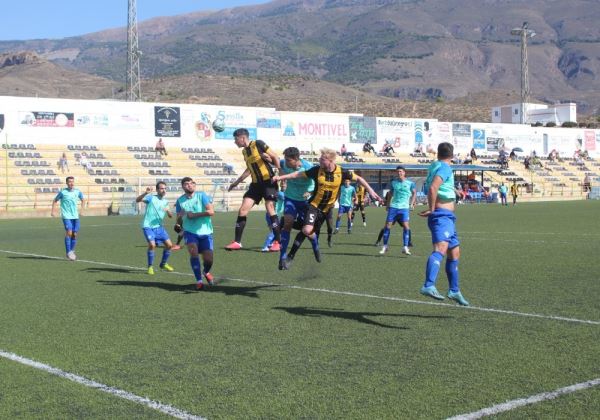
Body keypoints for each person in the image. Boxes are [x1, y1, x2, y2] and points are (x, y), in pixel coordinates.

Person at [272, 148, 382, 269]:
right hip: (314, 206)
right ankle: (290, 257)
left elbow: (360, 179)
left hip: (327, 210)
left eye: (322, 159)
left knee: (311, 232)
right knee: (306, 230)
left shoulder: (341, 172)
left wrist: (371, 191)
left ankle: (316, 246)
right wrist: (281, 178)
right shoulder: (316, 170)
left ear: (330, 160)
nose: (319, 161)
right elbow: (297, 174)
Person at [418, 142, 469, 306]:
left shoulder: (434, 166)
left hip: (448, 217)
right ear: (452, 156)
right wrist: (432, 210)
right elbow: (433, 188)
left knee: (454, 253)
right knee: (440, 249)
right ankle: (428, 285)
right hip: (441, 216)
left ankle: (454, 290)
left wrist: (455, 191)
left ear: (438, 154)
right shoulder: (445, 168)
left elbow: (440, 185)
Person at [225, 128, 281, 251]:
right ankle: (237, 242)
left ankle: (278, 242)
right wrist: (236, 183)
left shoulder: (258, 144)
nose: (235, 142)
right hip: (255, 185)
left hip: (268, 182)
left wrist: (278, 172)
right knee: (243, 210)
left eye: (236, 139)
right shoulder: (245, 151)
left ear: (242, 138)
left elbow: (275, 156)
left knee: (270, 208)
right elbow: (249, 169)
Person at [277, 147, 317, 268]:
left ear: (296, 159)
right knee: (287, 224)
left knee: (308, 231)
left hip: (306, 201)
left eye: (288, 160)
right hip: (290, 199)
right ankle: (282, 257)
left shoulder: (308, 166)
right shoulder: (284, 163)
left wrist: (310, 192)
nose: (286, 162)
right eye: (285, 159)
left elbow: (317, 182)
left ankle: (316, 245)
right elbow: (271, 157)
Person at [175, 177, 215, 290]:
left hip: (206, 232)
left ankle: (206, 272)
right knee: (194, 253)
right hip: (190, 232)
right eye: (186, 184)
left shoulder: (201, 195)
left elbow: (211, 212)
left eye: (192, 183)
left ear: (195, 185)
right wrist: (178, 222)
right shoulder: (180, 201)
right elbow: (178, 217)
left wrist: (194, 215)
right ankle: (199, 281)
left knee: (208, 260)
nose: (190, 185)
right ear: (183, 186)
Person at [136, 182, 175, 275]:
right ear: (157, 190)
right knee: (152, 245)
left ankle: (163, 264)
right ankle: (150, 266)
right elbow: (137, 200)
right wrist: (146, 193)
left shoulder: (165, 202)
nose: (164, 190)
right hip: (148, 226)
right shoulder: (151, 198)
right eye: (161, 188)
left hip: (159, 227)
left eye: (165, 188)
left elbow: (170, 216)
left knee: (169, 245)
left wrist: (168, 212)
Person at [379, 166, 416, 256]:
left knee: (406, 227)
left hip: (404, 208)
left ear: (404, 172)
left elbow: (414, 193)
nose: (399, 173)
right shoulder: (393, 183)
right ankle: (385, 246)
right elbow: (390, 194)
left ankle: (405, 247)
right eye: (398, 172)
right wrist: (387, 205)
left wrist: (412, 203)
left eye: (400, 171)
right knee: (388, 226)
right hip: (394, 207)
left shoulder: (410, 183)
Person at [51, 176, 85, 261]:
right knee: (69, 232)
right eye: (69, 182)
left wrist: (82, 210)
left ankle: (72, 251)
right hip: (66, 216)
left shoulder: (77, 192)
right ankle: (68, 252)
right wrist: (53, 211)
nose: (71, 183)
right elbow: (55, 200)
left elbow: (83, 200)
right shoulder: (63, 192)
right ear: (66, 183)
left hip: (75, 216)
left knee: (74, 234)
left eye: (72, 181)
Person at [262, 187, 286, 252]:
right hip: (273, 215)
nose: (283, 185)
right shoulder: (281, 194)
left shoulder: (280, 193)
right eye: (282, 183)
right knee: (274, 231)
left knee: (276, 231)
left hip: (271, 214)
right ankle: (265, 246)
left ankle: (270, 244)